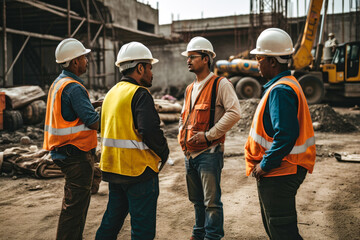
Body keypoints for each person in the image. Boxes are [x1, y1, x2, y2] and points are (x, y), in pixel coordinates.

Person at [245, 28, 316, 239]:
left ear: (273, 62)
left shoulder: (280, 91)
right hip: (283, 168)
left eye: (259, 58)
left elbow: (285, 135)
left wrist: (265, 165)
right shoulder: (285, 85)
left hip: (280, 171)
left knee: (281, 231)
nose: (257, 62)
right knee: (276, 228)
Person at [95, 41, 169, 240]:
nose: (151, 73)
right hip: (139, 172)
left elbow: (104, 128)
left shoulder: (110, 94)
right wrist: (164, 152)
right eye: (150, 67)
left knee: (111, 222)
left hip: (114, 170)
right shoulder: (140, 94)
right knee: (142, 231)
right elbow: (149, 131)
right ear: (139, 68)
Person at [178, 36, 241, 240]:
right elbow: (184, 117)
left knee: (211, 202)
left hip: (209, 153)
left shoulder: (220, 84)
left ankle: (212, 236)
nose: (188, 60)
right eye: (187, 57)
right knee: (197, 201)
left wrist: (208, 136)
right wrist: (183, 140)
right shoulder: (190, 88)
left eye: (193, 56)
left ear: (206, 59)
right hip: (190, 155)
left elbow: (234, 113)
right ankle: (199, 234)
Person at [43, 38, 102, 240]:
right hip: (76, 155)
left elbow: (71, 113)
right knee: (74, 211)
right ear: (75, 62)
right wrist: (112, 115)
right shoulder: (74, 87)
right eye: (84, 57)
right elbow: (93, 122)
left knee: (72, 207)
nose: (87, 60)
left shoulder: (59, 83)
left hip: (63, 153)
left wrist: (92, 104)